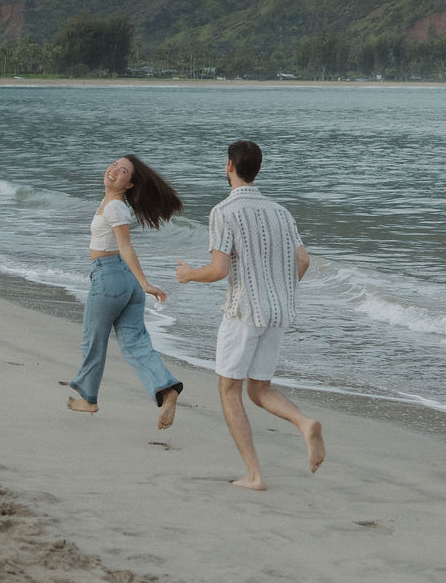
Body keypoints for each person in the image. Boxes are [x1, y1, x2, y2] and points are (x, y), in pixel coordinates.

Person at [175, 139, 324, 489]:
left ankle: (255, 474)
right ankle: (303, 423)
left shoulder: (224, 211)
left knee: (230, 391)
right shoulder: (281, 212)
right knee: (259, 389)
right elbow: (302, 260)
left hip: (243, 313)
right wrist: (279, 290)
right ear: (256, 169)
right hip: (277, 313)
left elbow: (219, 269)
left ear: (229, 166)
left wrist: (189, 274)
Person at [63, 154, 183, 430]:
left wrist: (144, 282)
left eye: (124, 171)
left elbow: (126, 248)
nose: (115, 170)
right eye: (114, 165)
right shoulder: (111, 203)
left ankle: (89, 397)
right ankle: (166, 388)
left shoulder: (116, 208)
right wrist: (138, 284)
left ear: (130, 184)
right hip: (122, 281)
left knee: (93, 341)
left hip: (110, 278)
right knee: (136, 344)